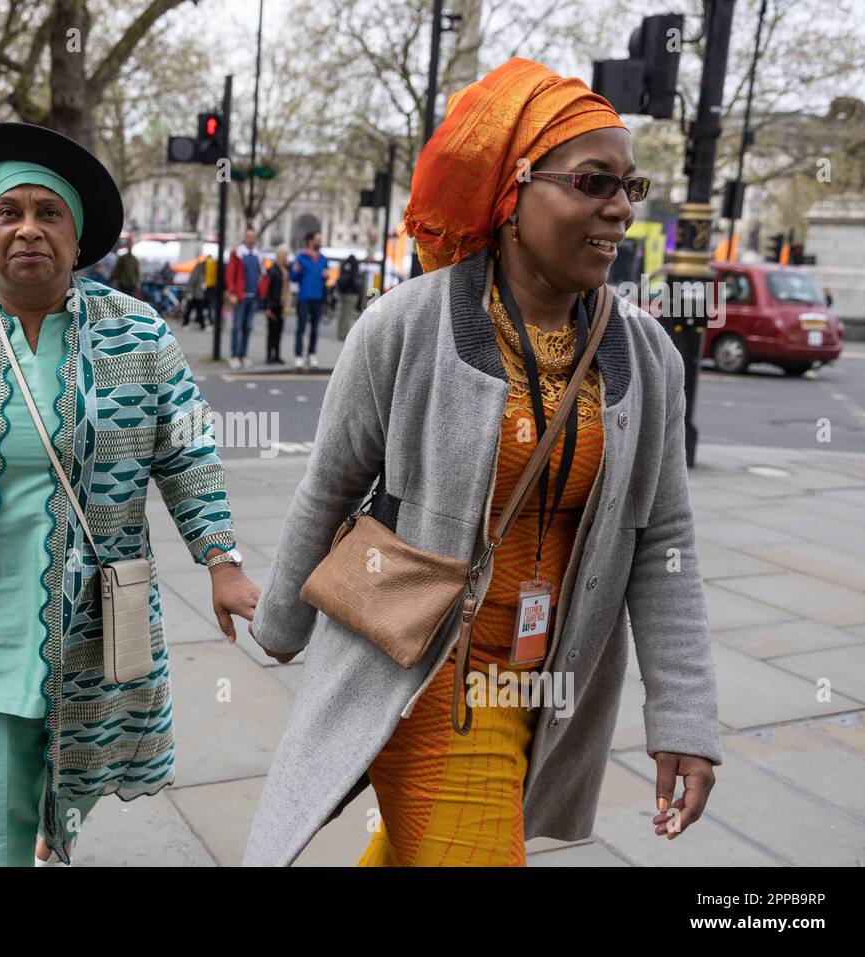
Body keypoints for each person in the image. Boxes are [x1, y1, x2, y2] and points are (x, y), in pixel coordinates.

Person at [243, 57, 720, 866]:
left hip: (548, 680)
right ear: (512, 193)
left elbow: (664, 538)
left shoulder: (647, 355)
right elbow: (329, 486)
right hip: (424, 669)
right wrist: (281, 625)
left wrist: (684, 718)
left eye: (628, 189)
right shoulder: (404, 327)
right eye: (592, 182)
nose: (618, 211)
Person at [0, 121, 261, 868]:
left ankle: (51, 824)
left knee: (75, 776)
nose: (29, 229)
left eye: (49, 214)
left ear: (74, 237)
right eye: (10, 212)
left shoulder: (139, 335)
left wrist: (221, 559)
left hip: (93, 626)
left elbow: (189, 450)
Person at [289, 231, 329, 369]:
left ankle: (311, 354)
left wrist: (326, 276)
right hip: (304, 297)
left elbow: (325, 276)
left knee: (315, 328)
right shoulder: (300, 257)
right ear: (310, 241)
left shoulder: (323, 258)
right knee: (301, 328)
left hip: (318, 297)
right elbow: (293, 277)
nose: (319, 242)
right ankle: (298, 355)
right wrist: (296, 271)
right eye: (317, 239)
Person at [224, 226, 263, 368]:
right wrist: (232, 292)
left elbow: (261, 275)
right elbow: (230, 275)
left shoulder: (258, 254)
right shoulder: (237, 254)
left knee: (247, 327)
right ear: (245, 238)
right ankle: (233, 355)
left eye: (253, 237)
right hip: (240, 297)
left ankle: (243, 355)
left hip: (253, 296)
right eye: (249, 236)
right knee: (236, 327)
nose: (251, 239)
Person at [262, 244, 291, 364]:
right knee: (271, 332)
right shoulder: (273, 270)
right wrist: (267, 308)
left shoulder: (284, 270)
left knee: (279, 332)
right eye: (284, 255)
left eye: (286, 255)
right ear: (278, 256)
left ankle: (277, 355)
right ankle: (269, 355)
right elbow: (268, 290)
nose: (285, 257)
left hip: (281, 305)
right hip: (273, 305)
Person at [335, 253, 362, 340]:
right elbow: (356, 280)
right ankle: (345, 334)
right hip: (352, 294)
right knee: (347, 315)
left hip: (342, 292)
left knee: (341, 314)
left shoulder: (344, 264)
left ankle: (340, 333)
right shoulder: (355, 266)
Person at [183, 256, 209, 329]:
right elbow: (192, 282)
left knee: (197, 310)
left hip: (200, 294)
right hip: (195, 294)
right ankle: (186, 324)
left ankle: (200, 324)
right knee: (191, 309)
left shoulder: (205, 270)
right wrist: (189, 293)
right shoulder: (199, 269)